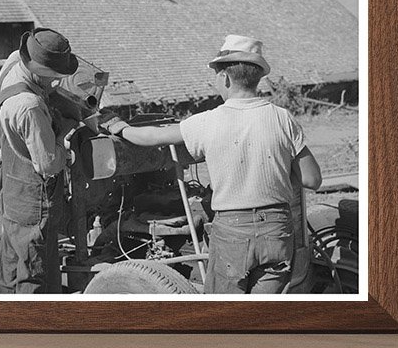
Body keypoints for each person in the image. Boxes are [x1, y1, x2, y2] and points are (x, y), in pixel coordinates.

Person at [103, 34, 322, 294]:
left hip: (233, 232)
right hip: (277, 231)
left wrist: (117, 126)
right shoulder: (282, 118)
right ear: (258, 78)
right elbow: (312, 179)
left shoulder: (208, 121)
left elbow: (149, 136)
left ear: (225, 78)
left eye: (216, 76)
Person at [0, 27, 78, 293]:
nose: (56, 83)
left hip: (11, 185)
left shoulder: (13, 63)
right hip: (33, 196)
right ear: (41, 71)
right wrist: (66, 137)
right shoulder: (28, 106)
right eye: (53, 77)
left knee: (11, 262)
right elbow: (49, 163)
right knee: (34, 272)